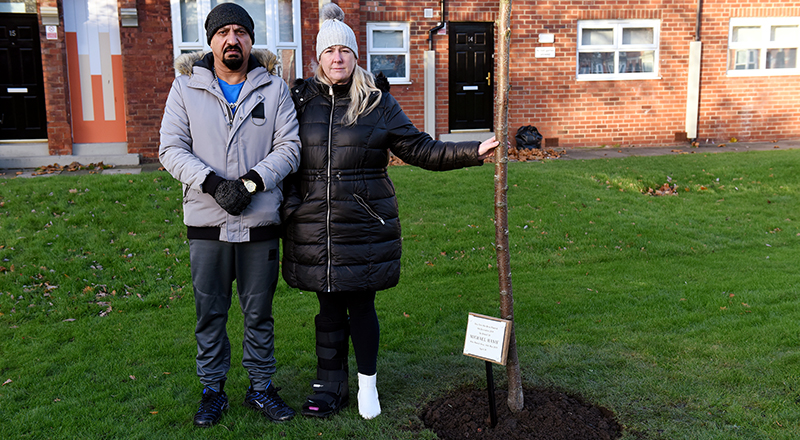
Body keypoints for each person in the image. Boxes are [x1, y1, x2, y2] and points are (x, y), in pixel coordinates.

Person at [280, 2, 498, 420]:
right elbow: (281, 155)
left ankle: (366, 386)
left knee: (361, 306)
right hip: (315, 225)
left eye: (344, 51)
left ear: (355, 56)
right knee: (326, 308)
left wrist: (472, 150)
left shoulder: (377, 103)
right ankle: (329, 385)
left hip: (362, 224)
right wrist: (293, 206)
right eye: (329, 52)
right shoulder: (300, 102)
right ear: (319, 58)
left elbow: (419, 147)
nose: (337, 58)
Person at [158, 2, 301, 428]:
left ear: (251, 40)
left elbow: (289, 148)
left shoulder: (274, 89)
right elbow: (170, 149)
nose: (232, 39)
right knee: (210, 313)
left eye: (240, 31)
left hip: (258, 221)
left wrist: (251, 183)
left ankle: (261, 388)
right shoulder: (185, 88)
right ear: (211, 40)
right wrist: (213, 184)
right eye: (223, 32)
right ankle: (212, 391)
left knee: (259, 313)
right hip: (206, 222)